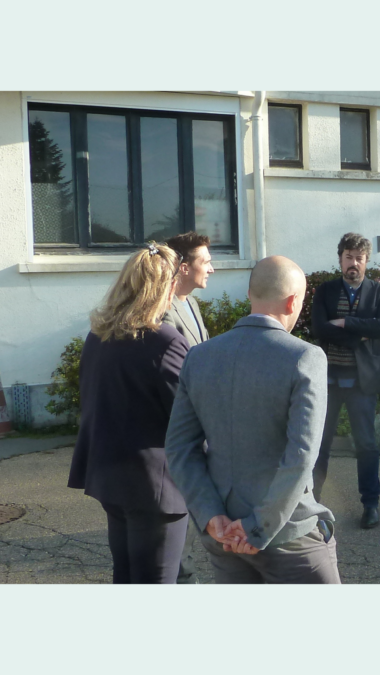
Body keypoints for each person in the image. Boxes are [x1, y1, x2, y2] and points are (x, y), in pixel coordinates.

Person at [164, 256, 341, 584]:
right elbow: (301, 457)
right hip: (288, 535)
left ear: (250, 294)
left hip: (223, 535)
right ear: (292, 302)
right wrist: (257, 526)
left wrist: (210, 515)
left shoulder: (199, 356)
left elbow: (179, 448)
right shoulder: (305, 357)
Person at [68, 243, 190, 584]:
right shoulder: (165, 340)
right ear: (162, 288)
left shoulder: (98, 335)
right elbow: (187, 418)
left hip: (109, 476)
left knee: (124, 576)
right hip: (156, 487)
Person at [310, 233, 380, 530]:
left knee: (366, 445)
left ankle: (370, 505)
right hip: (328, 381)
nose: (353, 263)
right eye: (348, 257)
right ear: (340, 259)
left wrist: (344, 322)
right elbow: (319, 328)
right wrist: (361, 332)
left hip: (362, 382)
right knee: (319, 444)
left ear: (366, 261)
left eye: (359, 258)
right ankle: (313, 506)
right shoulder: (326, 291)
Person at [161, 231, 214, 584]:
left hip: (198, 430)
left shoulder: (191, 304)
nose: (211, 269)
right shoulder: (163, 314)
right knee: (176, 525)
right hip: (175, 434)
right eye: (205, 262)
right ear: (183, 267)